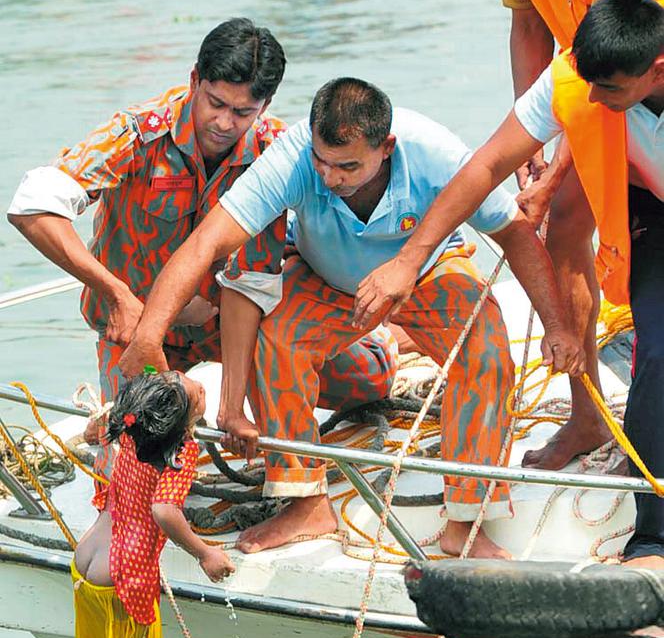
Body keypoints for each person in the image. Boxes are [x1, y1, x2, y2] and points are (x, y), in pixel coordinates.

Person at [121, 77, 582, 560]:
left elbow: (515, 234)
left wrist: (557, 326)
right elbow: (206, 243)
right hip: (329, 279)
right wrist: (149, 335)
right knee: (277, 336)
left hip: (426, 271)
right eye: (321, 161)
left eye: (347, 166)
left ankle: (465, 520)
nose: (329, 177)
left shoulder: (435, 153)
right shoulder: (292, 157)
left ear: (387, 148)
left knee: (485, 350)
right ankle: (305, 502)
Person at [353, 0, 664, 569]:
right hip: (655, 210)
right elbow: (486, 166)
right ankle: (655, 542)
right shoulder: (576, 80)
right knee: (659, 356)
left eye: (610, 92)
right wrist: (409, 260)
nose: (593, 102)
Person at [6, 18, 288, 478]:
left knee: (361, 376)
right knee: (133, 475)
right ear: (195, 80)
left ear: (265, 104)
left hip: (227, 324)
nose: (224, 122)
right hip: (133, 332)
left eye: (242, 111)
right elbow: (32, 205)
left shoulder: (277, 150)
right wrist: (115, 293)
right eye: (215, 103)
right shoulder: (137, 134)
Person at [55, 371, 235, 638]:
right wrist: (204, 553)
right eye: (192, 391)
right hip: (124, 573)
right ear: (181, 423)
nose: (197, 383)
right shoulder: (180, 452)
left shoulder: (131, 429)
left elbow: (100, 439)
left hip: (87, 560)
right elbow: (164, 511)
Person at [501, 0, 611, 470]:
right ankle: (588, 415)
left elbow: (618, 54)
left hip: (637, 82)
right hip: (581, 88)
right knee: (562, 230)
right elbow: (529, 26)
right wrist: (533, 137)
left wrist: (557, 174)